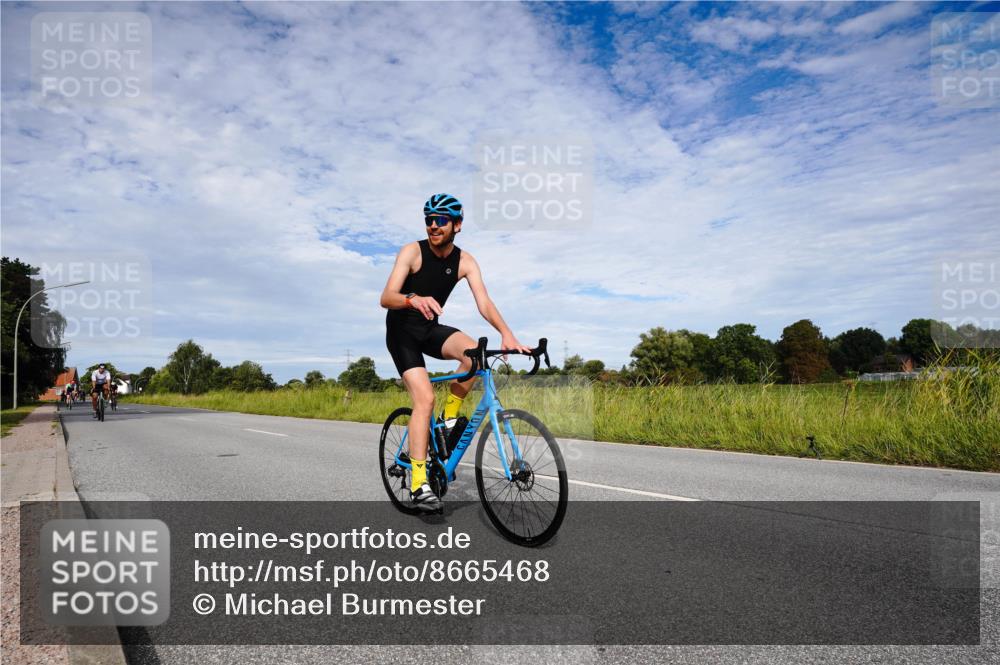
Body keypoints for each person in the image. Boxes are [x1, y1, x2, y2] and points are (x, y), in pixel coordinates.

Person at [380, 193, 530, 511]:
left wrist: (506, 333)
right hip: (403, 333)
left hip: (429, 330)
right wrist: (411, 298)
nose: (434, 226)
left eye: (441, 220)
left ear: (457, 225)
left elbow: (484, 303)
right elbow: (387, 296)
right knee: (424, 399)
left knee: (475, 354)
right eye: (429, 220)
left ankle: (449, 420)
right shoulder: (412, 252)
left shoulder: (465, 261)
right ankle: (419, 483)